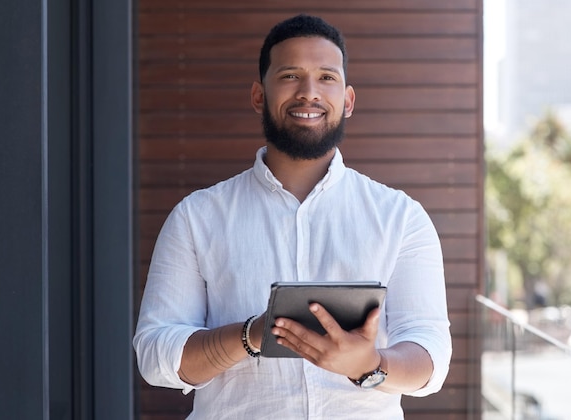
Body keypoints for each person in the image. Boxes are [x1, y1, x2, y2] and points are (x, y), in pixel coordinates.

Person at [133, 14, 451, 419]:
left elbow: (430, 355)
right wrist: (252, 335)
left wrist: (368, 366)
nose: (309, 93)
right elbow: (155, 355)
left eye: (326, 78)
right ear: (258, 97)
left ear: (348, 101)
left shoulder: (401, 218)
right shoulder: (196, 217)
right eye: (289, 76)